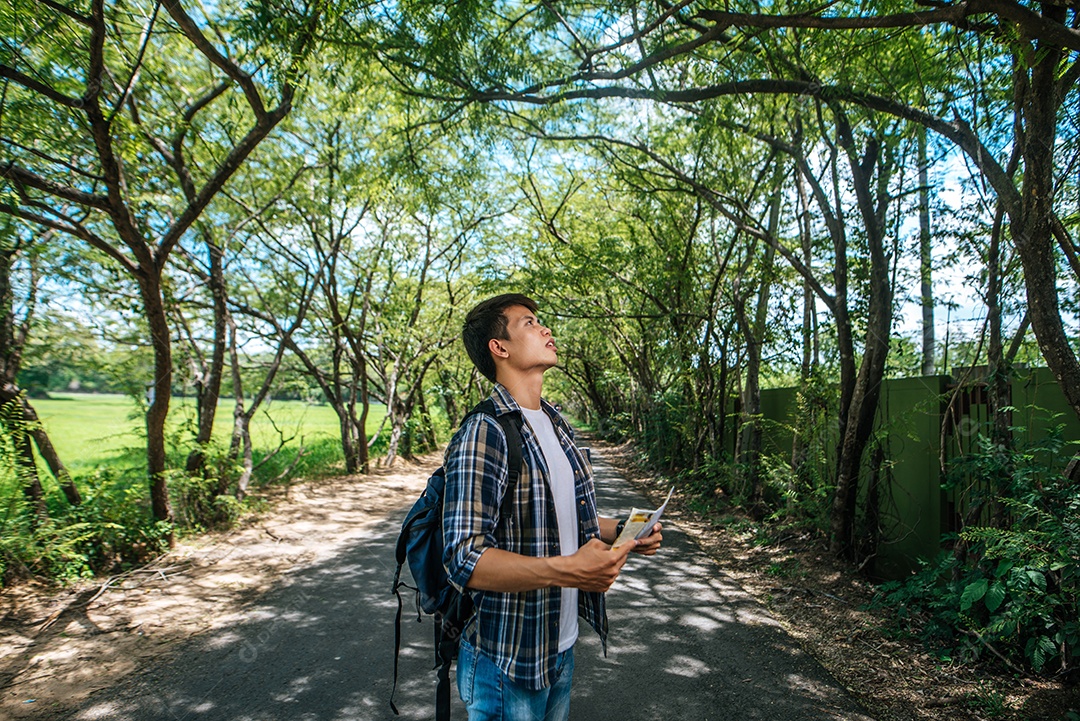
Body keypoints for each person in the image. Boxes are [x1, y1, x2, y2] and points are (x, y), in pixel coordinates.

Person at [442, 293, 663, 721]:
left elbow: (561, 515)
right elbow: (463, 557)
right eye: (528, 323)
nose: (545, 329)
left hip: (559, 649)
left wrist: (624, 531)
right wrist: (567, 570)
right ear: (499, 347)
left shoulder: (555, 423)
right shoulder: (485, 431)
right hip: (506, 659)